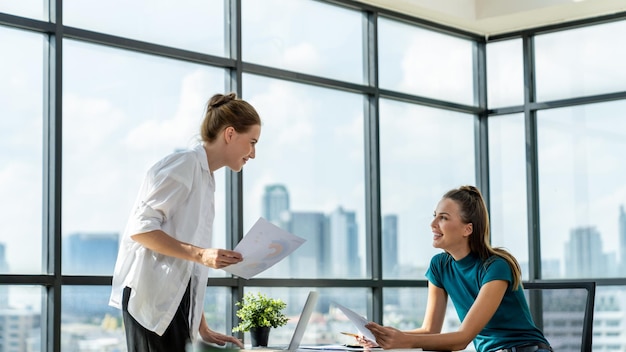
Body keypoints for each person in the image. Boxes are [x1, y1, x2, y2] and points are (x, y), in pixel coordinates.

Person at [109, 92, 261, 352]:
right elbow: (141, 229)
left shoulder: (206, 178)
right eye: (252, 142)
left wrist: (201, 325)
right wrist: (202, 254)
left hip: (174, 305)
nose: (253, 154)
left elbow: (187, 265)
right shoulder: (184, 165)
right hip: (152, 303)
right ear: (230, 134)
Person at [360, 185, 552, 352]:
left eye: (443, 218)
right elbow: (430, 330)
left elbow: (462, 338)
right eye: (435, 216)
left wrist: (404, 340)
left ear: (467, 229)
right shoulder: (439, 266)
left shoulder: (496, 267)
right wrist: (380, 337)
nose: (433, 224)